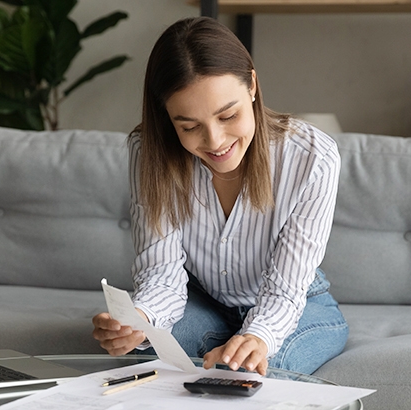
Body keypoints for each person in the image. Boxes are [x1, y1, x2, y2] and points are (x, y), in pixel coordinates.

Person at [92, 16, 348, 376]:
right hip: (203, 302)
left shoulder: (312, 157)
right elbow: (162, 275)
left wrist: (257, 336)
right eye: (189, 126)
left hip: (300, 303)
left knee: (251, 373)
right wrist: (139, 320)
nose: (215, 142)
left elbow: (285, 291)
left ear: (253, 86)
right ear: (167, 118)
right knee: (150, 359)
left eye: (228, 115)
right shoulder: (149, 153)